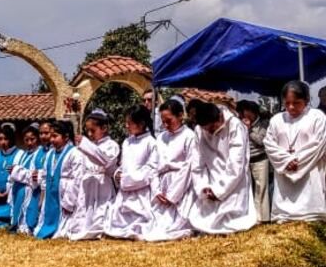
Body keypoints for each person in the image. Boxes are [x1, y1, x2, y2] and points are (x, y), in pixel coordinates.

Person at [264, 80, 326, 223]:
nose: (291, 107)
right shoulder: (277, 119)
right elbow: (269, 144)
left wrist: (298, 162)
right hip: (284, 174)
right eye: (287, 103)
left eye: (296, 103)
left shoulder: (317, 116)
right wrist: (286, 161)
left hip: (310, 171)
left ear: (306, 100)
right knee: (285, 218)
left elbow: (318, 144)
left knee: (311, 214)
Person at [187, 101, 257, 234]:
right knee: (205, 219)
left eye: (212, 128)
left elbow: (237, 162)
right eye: (206, 129)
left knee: (233, 220)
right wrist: (204, 187)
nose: (210, 132)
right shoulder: (199, 130)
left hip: (233, 179)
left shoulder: (235, 125)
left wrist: (220, 191)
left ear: (220, 117)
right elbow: (197, 164)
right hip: (211, 178)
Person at [144, 99, 198, 241]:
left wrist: (173, 194)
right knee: (155, 224)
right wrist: (156, 190)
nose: (165, 124)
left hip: (181, 185)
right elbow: (153, 165)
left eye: (169, 120)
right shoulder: (161, 138)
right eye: (163, 121)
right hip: (162, 184)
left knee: (175, 225)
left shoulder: (189, 136)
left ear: (180, 116)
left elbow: (189, 165)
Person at [104, 106, 158, 240]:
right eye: (126, 122)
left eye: (130, 123)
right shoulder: (127, 142)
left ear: (141, 124)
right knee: (118, 221)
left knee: (141, 219)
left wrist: (130, 179)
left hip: (141, 190)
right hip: (125, 190)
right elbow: (123, 164)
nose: (126, 126)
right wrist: (118, 173)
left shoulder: (151, 142)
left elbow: (151, 168)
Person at [65, 110, 119, 240]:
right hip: (88, 183)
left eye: (92, 131)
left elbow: (104, 161)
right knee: (85, 210)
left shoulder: (111, 145)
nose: (89, 134)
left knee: (101, 209)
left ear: (104, 128)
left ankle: (100, 229)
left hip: (102, 183)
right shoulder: (88, 146)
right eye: (87, 131)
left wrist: (85, 144)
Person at [35, 120, 85, 240]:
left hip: (65, 194)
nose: (51, 140)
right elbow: (45, 176)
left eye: (55, 136)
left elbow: (77, 178)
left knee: (64, 228)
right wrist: (42, 198)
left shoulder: (75, 153)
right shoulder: (50, 154)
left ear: (66, 137)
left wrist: (69, 201)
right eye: (51, 136)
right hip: (50, 194)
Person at [237, 100, 272, 224]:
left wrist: (249, 130)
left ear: (253, 111)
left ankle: (263, 218)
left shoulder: (264, 123)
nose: (244, 115)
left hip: (261, 160)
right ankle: (252, 217)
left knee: (261, 189)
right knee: (249, 189)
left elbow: (261, 141)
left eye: (246, 112)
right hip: (247, 161)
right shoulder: (240, 125)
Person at [12, 124, 46, 233]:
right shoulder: (23, 154)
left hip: (33, 191)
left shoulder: (41, 153)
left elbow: (34, 175)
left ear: (38, 139)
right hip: (20, 190)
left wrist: (18, 172)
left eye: (32, 139)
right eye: (26, 140)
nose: (29, 143)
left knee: (31, 213)